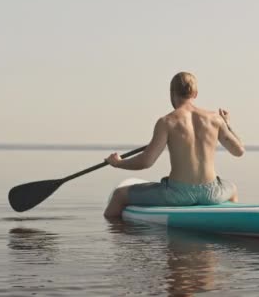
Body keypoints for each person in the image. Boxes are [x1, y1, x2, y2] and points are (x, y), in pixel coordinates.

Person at [103, 71, 244, 218]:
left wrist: (118, 163)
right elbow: (239, 151)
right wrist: (227, 125)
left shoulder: (167, 122)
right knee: (232, 189)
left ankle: (115, 236)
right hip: (212, 193)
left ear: (172, 93)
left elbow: (146, 161)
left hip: (177, 195)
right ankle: (230, 225)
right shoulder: (216, 119)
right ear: (195, 93)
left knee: (119, 195)